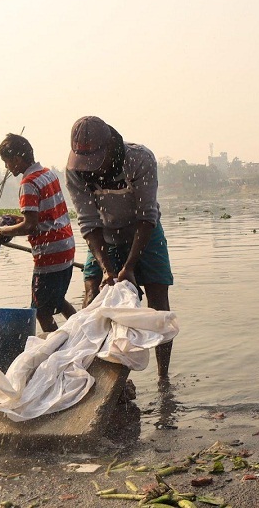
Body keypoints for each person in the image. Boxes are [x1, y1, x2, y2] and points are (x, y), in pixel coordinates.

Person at [65, 116, 174, 378]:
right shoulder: (74, 171)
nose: (89, 168)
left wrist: (130, 266)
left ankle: (163, 378)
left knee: (158, 301)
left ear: (109, 147)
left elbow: (147, 216)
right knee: (93, 295)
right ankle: (94, 375)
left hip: (144, 231)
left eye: (94, 160)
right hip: (104, 234)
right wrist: (107, 268)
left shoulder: (139, 159)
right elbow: (88, 223)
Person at [0, 134, 77, 333]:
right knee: (58, 299)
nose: (7, 167)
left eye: (6, 162)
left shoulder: (28, 183)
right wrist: (17, 220)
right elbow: (45, 216)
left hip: (50, 253)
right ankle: (84, 333)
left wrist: (1, 230)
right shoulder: (47, 174)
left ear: (16, 159)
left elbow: (30, 226)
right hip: (66, 247)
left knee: (41, 311)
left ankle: (58, 347)